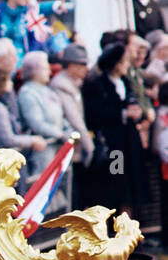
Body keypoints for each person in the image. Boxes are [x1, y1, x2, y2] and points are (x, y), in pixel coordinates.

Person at [84, 43, 147, 216]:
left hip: (130, 142)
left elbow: (133, 102)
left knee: (133, 182)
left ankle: (132, 224)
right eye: (124, 61)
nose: (127, 65)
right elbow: (96, 114)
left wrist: (136, 112)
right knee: (117, 181)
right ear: (116, 64)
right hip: (115, 146)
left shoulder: (125, 82)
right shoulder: (98, 85)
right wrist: (123, 113)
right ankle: (115, 226)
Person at [17, 50, 71, 211]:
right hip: (43, 150)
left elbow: (61, 115)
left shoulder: (48, 90)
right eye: (45, 67)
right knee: (44, 190)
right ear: (35, 70)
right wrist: (59, 134)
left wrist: (67, 129)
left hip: (58, 148)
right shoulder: (28, 93)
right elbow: (36, 123)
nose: (49, 70)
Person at [0, 66, 45, 170]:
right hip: (4, 164)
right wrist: (32, 140)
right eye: (8, 80)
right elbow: (8, 139)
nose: (11, 83)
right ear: (0, 82)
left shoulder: (0, 103)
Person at [52, 44, 93, 207]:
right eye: (82, 64)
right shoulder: (61, 84)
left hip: (76, 147)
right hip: (69, 147)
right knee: (73, 194)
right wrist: (89, 146)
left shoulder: (73, 83)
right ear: (71, 65)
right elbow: (75, 119)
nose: (85, 68)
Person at [0, 0, 68, 67]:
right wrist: (3, 33)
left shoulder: (27, 12)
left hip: (21, 60)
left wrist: (57, 5)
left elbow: (40, 7)